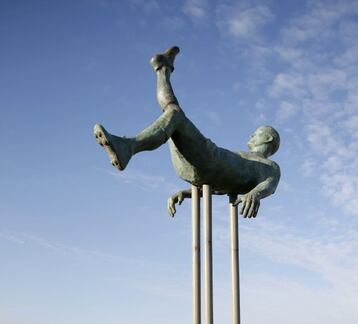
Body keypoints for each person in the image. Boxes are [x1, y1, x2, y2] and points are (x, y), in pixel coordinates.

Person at [94, 46, 280, 219]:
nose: (251, 135)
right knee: (171, 113)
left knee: (174, 114)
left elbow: (268, 186)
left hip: (209, 159)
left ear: (269, 138)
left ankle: (129, 145)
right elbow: (220, 182)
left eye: (257, 133)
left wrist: (255, 193)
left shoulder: (269, 167)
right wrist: (188, 193)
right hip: (198, 166)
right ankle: (163, 68)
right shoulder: (244, 159)